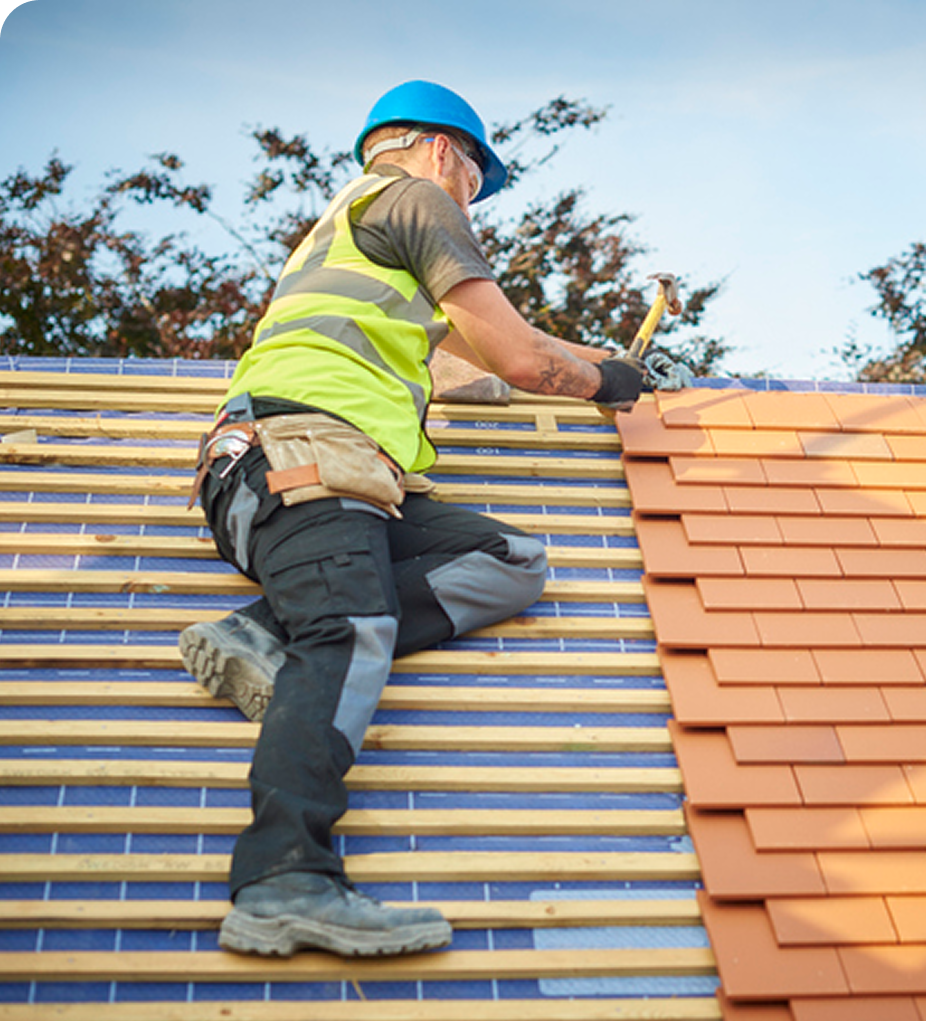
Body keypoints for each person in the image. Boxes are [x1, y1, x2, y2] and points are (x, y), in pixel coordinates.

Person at [179, 80, 647, 958]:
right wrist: (605, 386)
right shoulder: (418, 198)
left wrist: (603, 360)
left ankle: (266, 632)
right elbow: (519, 356)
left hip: (306, 472)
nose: (473, 197)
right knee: (353, 630)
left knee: (507, 560)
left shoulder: (358, 232)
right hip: (306, 457)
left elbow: (489, 351)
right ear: (440, 150)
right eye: (476, 175)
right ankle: (286, 878)